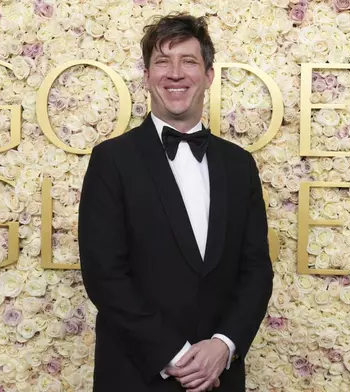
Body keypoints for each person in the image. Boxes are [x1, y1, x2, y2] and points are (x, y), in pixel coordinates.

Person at [78, 13, 273, 392]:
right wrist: (174, 354)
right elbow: (105, 275)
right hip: (136, 375)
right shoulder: (112, 160)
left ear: (209, 75)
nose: (175, 73)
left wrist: (224, 345)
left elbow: (256, 271)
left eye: (188, 61)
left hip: (221, 377)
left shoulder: (239, 165)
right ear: (148, 76)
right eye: (162, 62)